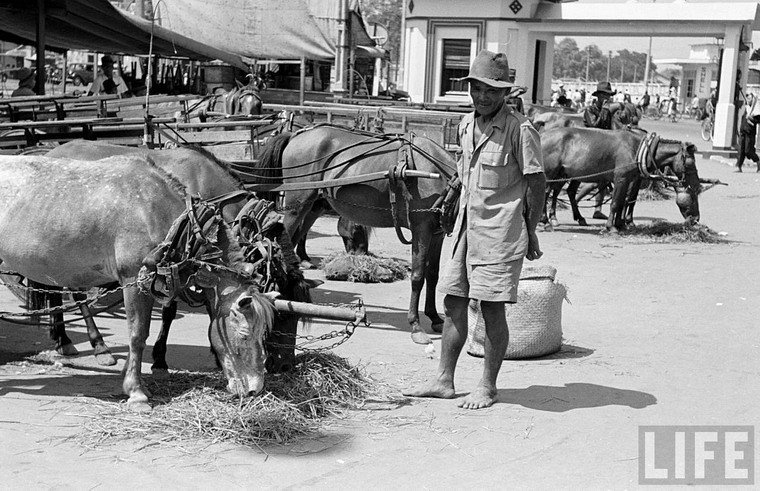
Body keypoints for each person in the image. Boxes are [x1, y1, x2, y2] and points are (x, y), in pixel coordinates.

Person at [403, 50, 546, 410]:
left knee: (491, 308)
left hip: (501, 231)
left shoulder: (520, 130)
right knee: (452, 302)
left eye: (491, 90)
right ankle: (444, 380)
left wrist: (531, 231)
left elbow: (536, 184)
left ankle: (487, 386)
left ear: (505, 94)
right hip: (465, 228)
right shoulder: (467, 124)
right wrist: (450, 197)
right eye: (477, 88)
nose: (482, 96)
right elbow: (463, 173)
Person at [581, 81, 617, 219]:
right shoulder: (590, 110)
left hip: (604, 146)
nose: (608, 98)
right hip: (590, 146)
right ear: (599, 96)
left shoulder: (607, 111)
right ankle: (576, 201)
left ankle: (597, 210)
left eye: (609, 95)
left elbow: (609, 129)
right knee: (594, 181)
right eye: (605, 95)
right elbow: (594, 127)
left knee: (603, 181)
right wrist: (603, 111)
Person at [736, 101, 759, 172]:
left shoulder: (756, 109)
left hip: (750, 132)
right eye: (747, 98)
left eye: (750, 98)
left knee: (748, 150)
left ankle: (758, 161)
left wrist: (752, 118)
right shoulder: (745, 108)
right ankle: (739, 167)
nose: (748, 100)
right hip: (743, 131)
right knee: (740, 150)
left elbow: (758, 120)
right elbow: (740, 118)